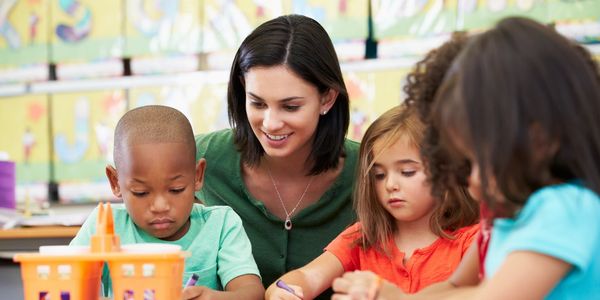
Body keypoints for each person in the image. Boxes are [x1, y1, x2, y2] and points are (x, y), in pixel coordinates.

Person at [332, 17, 600, 300]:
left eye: (475, 163)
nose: (469, 182)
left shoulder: (565, 208)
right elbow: (457, 286)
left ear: (539, 139)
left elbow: (494, 297)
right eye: (461, 165)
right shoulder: (503, 215)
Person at [195, 14, 359, 296]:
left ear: (327, 98)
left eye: (290, 107)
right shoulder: (202, 157)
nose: (270, 123)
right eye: (257, 103)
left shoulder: (371, 170)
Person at [265, 104, 479, 300]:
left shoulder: (473, 242)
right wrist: (282, 290)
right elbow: (308, 277)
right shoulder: (362, 237)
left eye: (407, 172)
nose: (390, 185)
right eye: (379, 175)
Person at [70, 105, 264, 300]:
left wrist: (212, 298)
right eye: (141, 192)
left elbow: (252, 293)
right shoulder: (105, 226)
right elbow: (67, 283)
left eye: (176, 189)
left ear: (198, 176)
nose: (160, 206)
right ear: (115, 182)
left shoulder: (221, 225)